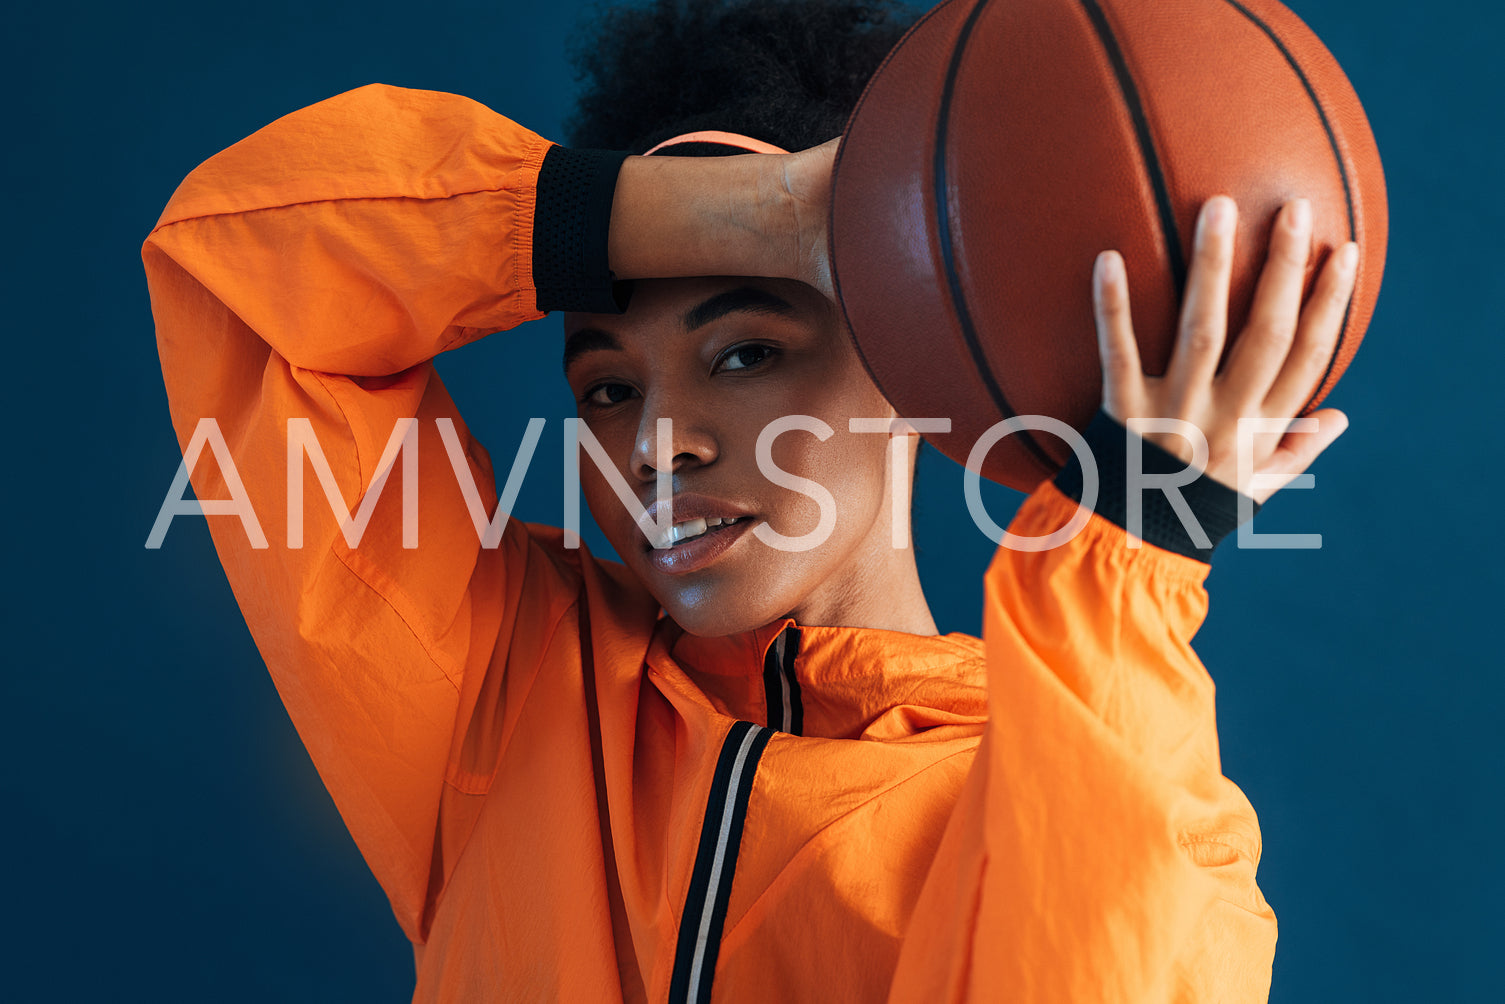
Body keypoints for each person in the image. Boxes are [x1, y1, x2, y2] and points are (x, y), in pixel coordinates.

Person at [142, 1, 1355, 1000]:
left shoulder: (1094, 796)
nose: (653, 446)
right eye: (607, 387)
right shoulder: (509, 686)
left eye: (743, 355)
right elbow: (236, 275)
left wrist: (1117, 552)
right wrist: (754, 218)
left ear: (911, 368)